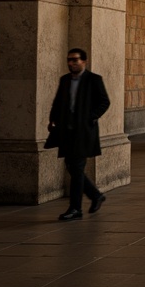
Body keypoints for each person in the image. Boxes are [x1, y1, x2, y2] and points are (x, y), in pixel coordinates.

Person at [47, 47, 111, 221]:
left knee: (76, 168)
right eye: (69, 60)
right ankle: (95, 195)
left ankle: (76, 208)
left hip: (83, 132)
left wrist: (91, 117)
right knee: (73, 167)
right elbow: (58, 102)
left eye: (75, 60)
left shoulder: (94, 80)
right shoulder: (65, 80)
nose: (71, 63)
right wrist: (52, 119)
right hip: (67, 131)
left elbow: (105, 102)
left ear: (84, 61)